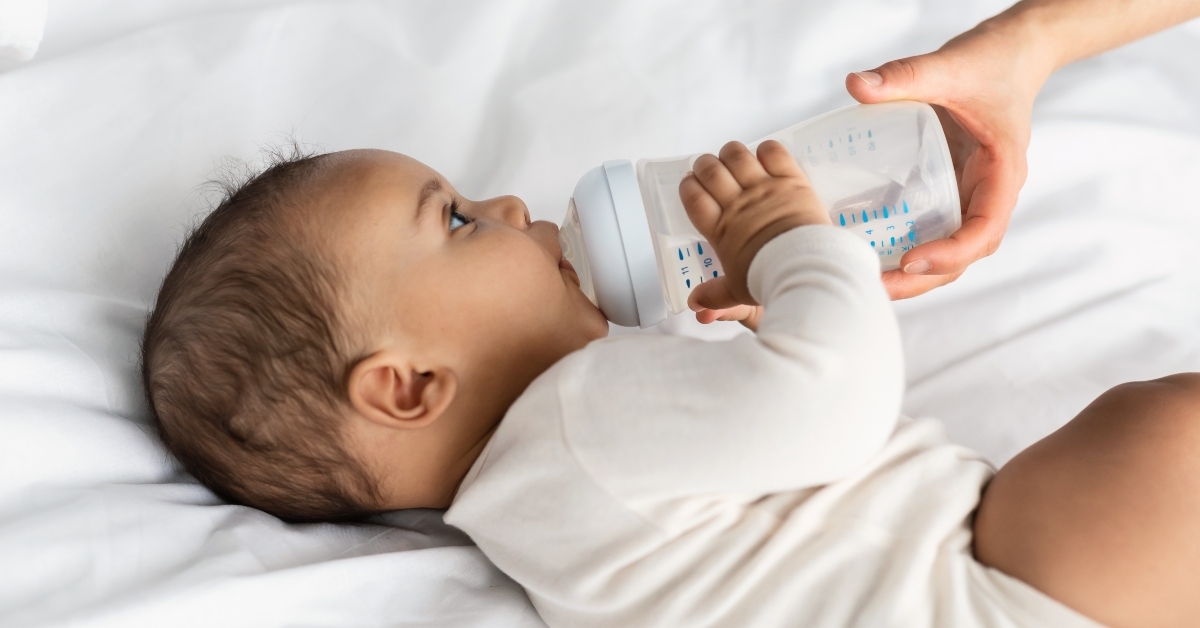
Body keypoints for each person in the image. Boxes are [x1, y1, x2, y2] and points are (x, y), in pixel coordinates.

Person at [139, 2, 1200, 627]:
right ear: (410, 385)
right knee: (1166, 436)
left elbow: (757, 440)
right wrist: (791, 242)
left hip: (959, 575)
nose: (510, 205)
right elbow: (837, 401)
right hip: (968, 590)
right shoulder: (572, 420)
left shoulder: (541, 507)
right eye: (458, 221)